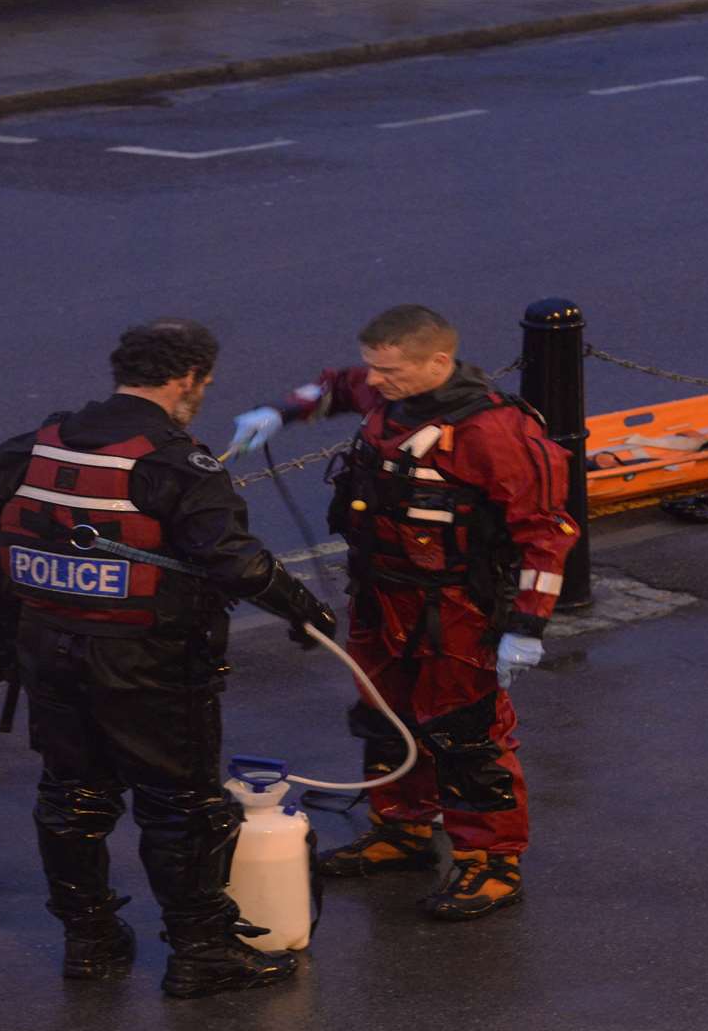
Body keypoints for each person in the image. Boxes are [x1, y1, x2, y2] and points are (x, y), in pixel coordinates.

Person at [0, 319, 341, 999]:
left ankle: (90, 943)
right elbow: (236, 561)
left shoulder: (30, 447)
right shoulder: (176, 464)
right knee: (183, 807)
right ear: (188, 379)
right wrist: (306, 611)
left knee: (72, 797)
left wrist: (2, 641)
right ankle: (201, 954)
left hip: (48, 652)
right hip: (151, 662)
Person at [222, 304, 579, 920]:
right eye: (374, 367)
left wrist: (526, 626)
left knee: (466, 735)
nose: (375, 381)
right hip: (382, 595)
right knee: (385, 718)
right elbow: (333, 386)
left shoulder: (495, 435)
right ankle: (404, 828)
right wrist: (279, 413)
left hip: (456, 609)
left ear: (438, 362)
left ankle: (491, 861)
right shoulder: (390, 392)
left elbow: (546, 532)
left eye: (388, 370)